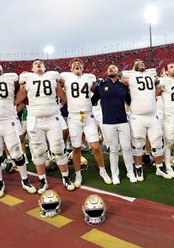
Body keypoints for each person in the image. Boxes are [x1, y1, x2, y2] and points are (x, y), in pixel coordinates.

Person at [0, 62, 37, 195]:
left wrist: (15, 107)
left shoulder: (11, 77)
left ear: (3, 69)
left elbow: (22, 93)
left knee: (16, 152)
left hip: (9, 120)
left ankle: (25, 180)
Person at [15, 59, 74, 194]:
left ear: (45, 67)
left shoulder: (53, 76)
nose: (38, 64)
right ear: (32, 68)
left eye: (40, 63)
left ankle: (65, 177)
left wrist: (56, 107)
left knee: (58, 148)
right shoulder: (27, 78)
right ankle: (42, 180)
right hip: (35, 120)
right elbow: (19, 98)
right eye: (35, 63)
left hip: (53, 119)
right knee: (38, 151)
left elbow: (63, 97)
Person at [61, 58, 112, 187]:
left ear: (83, 67)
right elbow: (57, 86)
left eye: (79, 64)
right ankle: (78, 174)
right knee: (76, 148)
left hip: (88, 116)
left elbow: (97, 91)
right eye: (74, 64)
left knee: (95, 146)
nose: (77, 64)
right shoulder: (65, 77)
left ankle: (103, 171)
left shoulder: (90, 77)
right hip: (73, 117)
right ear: (70, 68)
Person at [122, 60, 168, 181]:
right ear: (133, 67)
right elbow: (124, 81)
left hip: (152, 114)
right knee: (138, 143)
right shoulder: (129, 75)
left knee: (158, 141)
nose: (140, 63)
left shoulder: (151, 74)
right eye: (137, 62)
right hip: (137, 115)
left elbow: (157, 84)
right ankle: (138, 167)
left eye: (142, 62)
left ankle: (160, 167)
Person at [92, 65, 135, 184]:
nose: (111, 69)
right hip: (108, 123)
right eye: (109, 68)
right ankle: (115, 174)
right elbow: (92, 101)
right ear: (106, 72)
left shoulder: (123, 86)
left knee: (126, 148)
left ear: (118, 71)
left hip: (122, 121)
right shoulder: (101, 86)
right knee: (114, 149)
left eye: (114, 68)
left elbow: (129, 101)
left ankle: (130, 172)